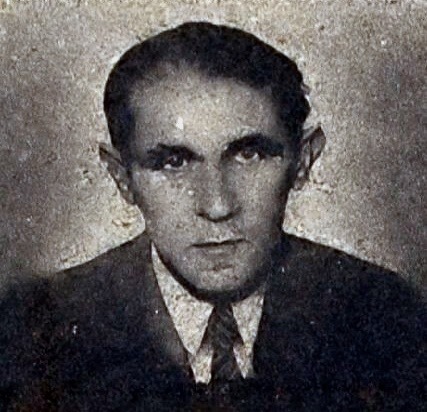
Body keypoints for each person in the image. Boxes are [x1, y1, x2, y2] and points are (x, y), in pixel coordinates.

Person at [1, 22, 425, 411]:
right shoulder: (35, 332)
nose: (218, 206)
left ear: (303, 161)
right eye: (173, 162)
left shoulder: (387, 317)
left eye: (249, 155)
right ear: (121, 177)